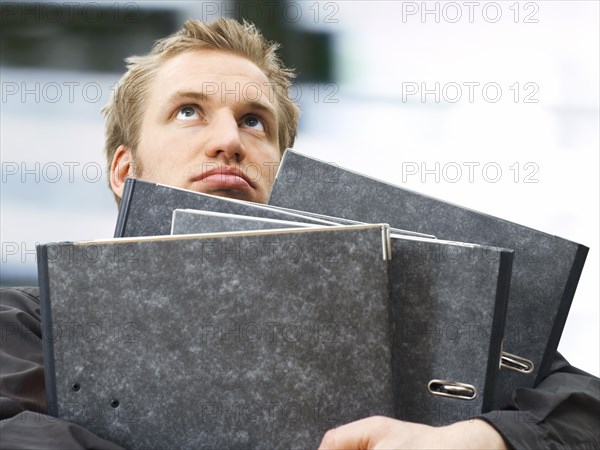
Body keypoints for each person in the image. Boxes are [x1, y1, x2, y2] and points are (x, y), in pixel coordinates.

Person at [1, 18, 598, 450]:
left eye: (253, 121)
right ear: (125, 171)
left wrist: (474, 440)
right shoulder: (27, 324)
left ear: (282, 171)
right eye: (188, 111)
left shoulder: (401, 295)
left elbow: (583, 413)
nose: (229, 140)